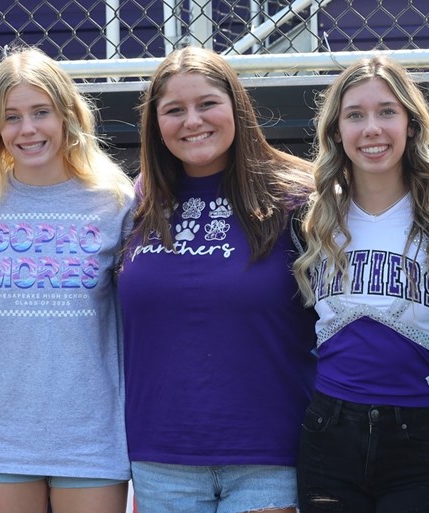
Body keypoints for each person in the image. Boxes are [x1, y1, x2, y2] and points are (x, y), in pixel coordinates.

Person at [118, 46, 316, 513]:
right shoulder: (135, 203)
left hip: (269, 457)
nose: (192, 121)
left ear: (236, 108)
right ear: (155, 124)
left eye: (207, 103)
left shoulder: (298, 195)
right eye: (173, 110)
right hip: (159, 457)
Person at [0, 47, 134, 513]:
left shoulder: (115, 200)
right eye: (11, 117)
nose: (26, 129)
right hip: (2, 429)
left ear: (67, 116)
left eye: (40, 112)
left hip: (91, 431)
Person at [290, 55, 429, 512]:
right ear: (336, 131)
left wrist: (419, 336)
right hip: (329, 429)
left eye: (387, 111)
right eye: (355, 115)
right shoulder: (310, 218)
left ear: (411, 123)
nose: (372, 128)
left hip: (420, 432)